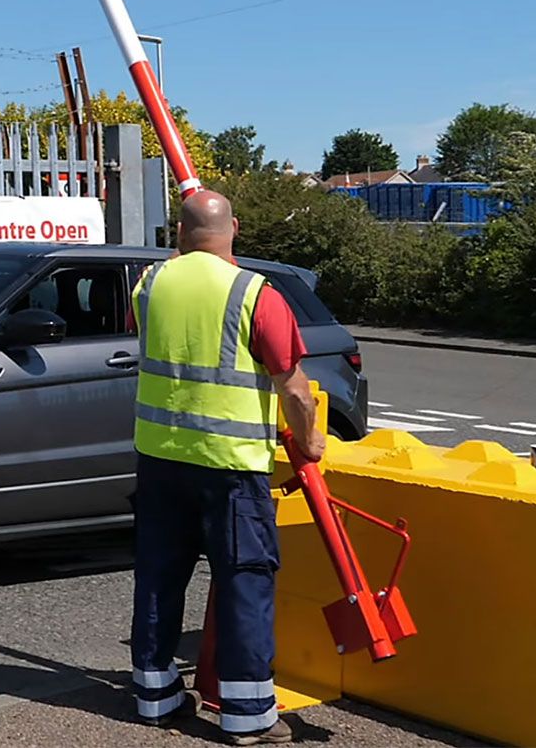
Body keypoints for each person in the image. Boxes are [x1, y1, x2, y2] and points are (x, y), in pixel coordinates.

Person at [128, 190, 326, 745]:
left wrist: (177, 253)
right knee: (244, 582)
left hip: (161, 458)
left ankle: (154, 695)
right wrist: (309, 443)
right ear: (234, 228)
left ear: (178, 232)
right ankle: (248, 716)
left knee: (159, 576)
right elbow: (295, 388)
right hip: (232, 466)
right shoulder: (254, 294)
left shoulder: (150, 285)